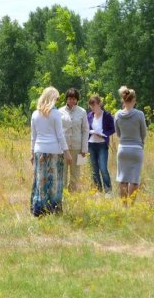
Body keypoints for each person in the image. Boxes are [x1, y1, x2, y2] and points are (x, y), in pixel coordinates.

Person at [31, 87, 72, 216]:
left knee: (40, 181)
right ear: (52, 98)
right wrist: (67, 152)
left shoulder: (35, 114)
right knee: (54, 182)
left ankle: (39, 209)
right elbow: (60, 135)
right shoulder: (55, 114)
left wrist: (32, 153)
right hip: (54, 150)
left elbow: (33, 136)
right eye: (57, 98)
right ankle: (54, 209)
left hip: (39, 151)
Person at [115, 86, 147, 206]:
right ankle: (132, 206)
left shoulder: (118, 114)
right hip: (136, 149)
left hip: (123, 149)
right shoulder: (139, 114)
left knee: (122, 178)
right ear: (134, 100)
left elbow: (118, 133)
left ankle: (124, 206)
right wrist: (141, 143)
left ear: (123, 100)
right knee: (134, 179)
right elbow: (143, 133)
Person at [59, 88, 89, 192]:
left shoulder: (82, 112)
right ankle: (62, 195)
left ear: (77, 100)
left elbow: (85, 130)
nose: (72, 101)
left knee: (75, 173)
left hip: (77, 147)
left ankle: (73, 195)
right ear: (66, 99)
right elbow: (58, 131)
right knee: (62, 173)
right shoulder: (60, 111)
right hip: (63, 148)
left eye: (74, 99)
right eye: (70, 98)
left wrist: (84, 148)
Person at [87, 95, 115, 196]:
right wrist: (91, 132)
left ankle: (108, 191)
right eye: (91, 105)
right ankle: (97, 190)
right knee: (94, 169)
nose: (92, 107)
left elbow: (112, 129)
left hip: (102, 144)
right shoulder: (89, 115)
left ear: (99, 104)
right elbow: (86, 128)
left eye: (94, 104)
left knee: (103, 168)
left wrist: (104, 133)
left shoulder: (107, 115)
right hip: (91, 144)